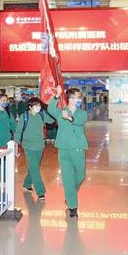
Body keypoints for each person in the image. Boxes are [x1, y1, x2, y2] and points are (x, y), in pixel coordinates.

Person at [47, 86, 88, 218]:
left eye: (80, 98)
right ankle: (72, 206)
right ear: (70, 99)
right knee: (67, 178)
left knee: (81, 175)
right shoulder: (61, 112)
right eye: (77, 97)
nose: (79, 99)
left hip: (78, 149)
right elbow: (50, 109)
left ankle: (71, 195)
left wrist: (70, 118)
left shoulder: (81, 113)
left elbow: (81, 121)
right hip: (64, 149)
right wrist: (56, 95)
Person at [15, 97, 56, 200]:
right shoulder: (24, 116)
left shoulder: (41, 115)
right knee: (35, 169)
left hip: (40, 146)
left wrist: (49, 109)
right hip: (28, 146)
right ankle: (40, 191)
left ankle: (27, 184)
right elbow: (18, 131)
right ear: (30, 107)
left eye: (39, 105)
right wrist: (16, 146)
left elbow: (52, 120)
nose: (38, 107)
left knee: (34, 167)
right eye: (36, 106)